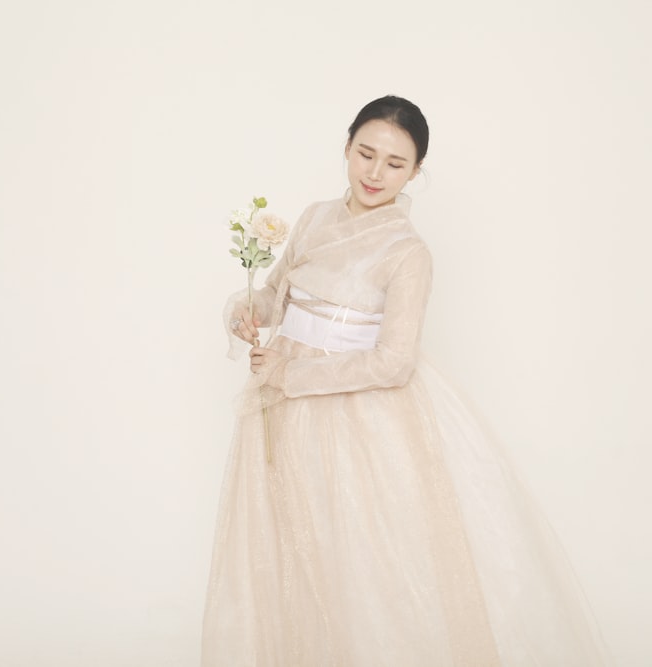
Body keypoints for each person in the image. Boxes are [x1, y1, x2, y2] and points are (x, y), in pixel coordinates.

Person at [202, 95, 612, 666]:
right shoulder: (315, 217)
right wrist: (250, 312)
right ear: (345, 148)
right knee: (287, 545)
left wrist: (291, 372)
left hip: (353, 417)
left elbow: (395, 362)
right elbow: (277, 294)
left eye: (395, 164)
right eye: (365, 154)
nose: (375, 173)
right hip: (282, 403)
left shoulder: (407, 251)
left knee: (354, 555)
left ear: (416, 171)